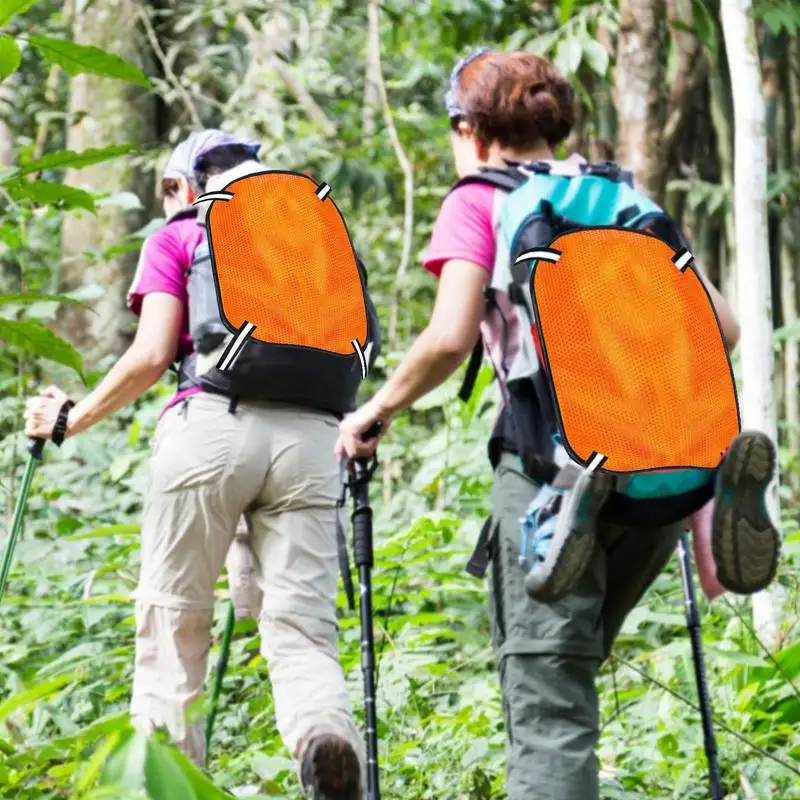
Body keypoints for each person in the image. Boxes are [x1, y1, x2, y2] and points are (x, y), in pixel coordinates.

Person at [335, 49, 779, 799]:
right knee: (568, 672)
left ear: (472, 130)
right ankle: (707, 487)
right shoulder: (623, 201)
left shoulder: (477, 200)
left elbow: (449, 339)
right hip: (657, 474)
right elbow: (724, 328)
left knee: (548, 703)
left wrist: (373, 410)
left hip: (553, 471)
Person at [25, 130, 365, 800]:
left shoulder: (181, 235)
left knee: (174, 621)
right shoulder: (309, 245)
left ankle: (168, 786)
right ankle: (325, 735)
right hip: (315, 439)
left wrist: (73, 415)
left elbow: (153, 354)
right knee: (301, 631)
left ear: (184, 186)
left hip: (210, 427)